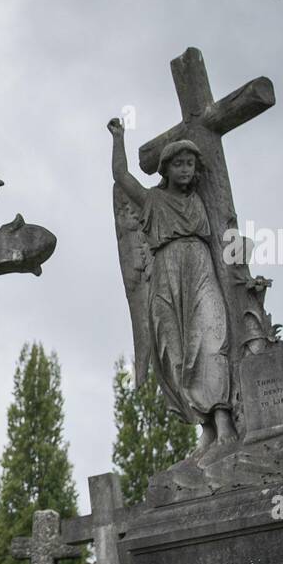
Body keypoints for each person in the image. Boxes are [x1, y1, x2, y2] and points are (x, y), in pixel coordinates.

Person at [109, 119, 234, 453]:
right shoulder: (152, 201)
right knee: (173, 349)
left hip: (200, 267)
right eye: (178, 164)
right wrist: (118, 138)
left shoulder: (202, 198)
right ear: (166, 168)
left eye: (189, 164)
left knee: (210, 336)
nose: (184, 170)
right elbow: (121, 177)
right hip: (165, 274)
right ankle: (205, 426)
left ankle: (223, 418)